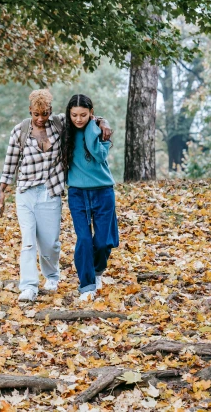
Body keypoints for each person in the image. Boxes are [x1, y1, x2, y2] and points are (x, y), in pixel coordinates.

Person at [0, 90, 111, 303]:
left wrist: (103, 123)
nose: (41, 118)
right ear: (30, 111)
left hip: (51, 191)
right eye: (36, 114)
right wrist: (2, 190)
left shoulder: (59, 124)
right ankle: (29, 286)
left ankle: (51, 275)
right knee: (28, 242)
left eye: (45, 113)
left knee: (50, 244)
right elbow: (10, 161)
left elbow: (85, 116)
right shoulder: (20, 131)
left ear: (51, 111)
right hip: (26, 192)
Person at [60, 94, 120, 302]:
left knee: (103, 242)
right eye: (74, 115)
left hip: (103, 191)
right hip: (77, 192)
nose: (78, 119)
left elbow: (99, 155)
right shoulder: (64, 130)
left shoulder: (100, 130)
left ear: (91, 113)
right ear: (69, 114)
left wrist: (95, 126)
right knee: (84, 239)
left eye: (83, 115)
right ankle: (86, 285)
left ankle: (98, 270)